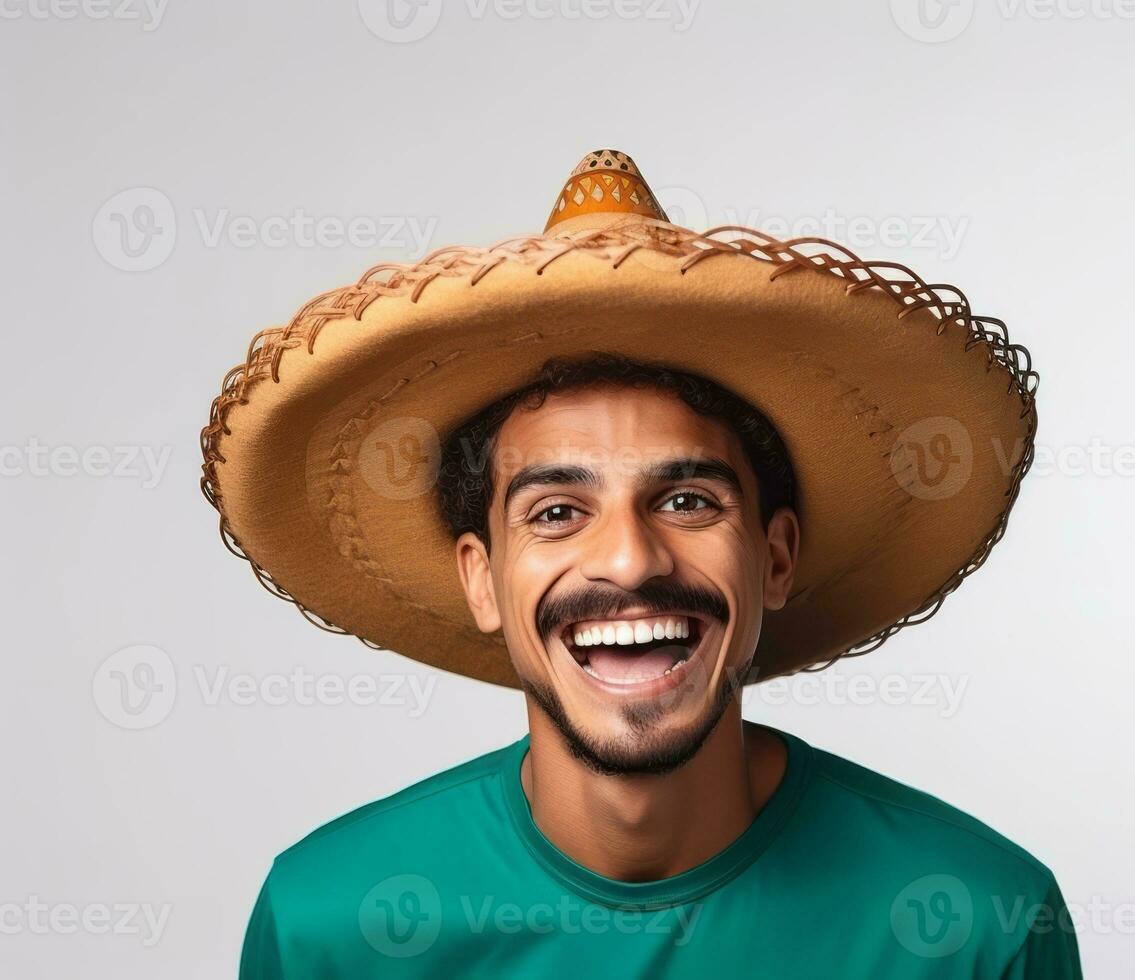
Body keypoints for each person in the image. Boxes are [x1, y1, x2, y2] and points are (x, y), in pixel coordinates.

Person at [202, 150, 1081, 977]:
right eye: (556, 512)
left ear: (774, 559)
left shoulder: (978, 923)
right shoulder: (327, 922)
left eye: (688, 501)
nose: (627, 558)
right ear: (479, 578)